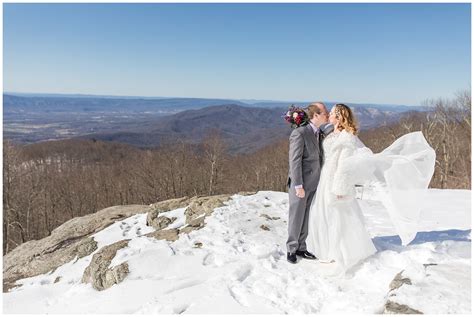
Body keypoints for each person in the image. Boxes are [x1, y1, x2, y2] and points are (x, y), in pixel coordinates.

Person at [306, 103, 436, 272]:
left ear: (339, 117)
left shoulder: (347, 137)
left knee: (339, 216)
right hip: (326, 178)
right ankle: (330, 250)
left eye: (331, 113)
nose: (329, 115)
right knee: (325, 214)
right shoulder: (332, 132)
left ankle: (343, 253)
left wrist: (340, 188)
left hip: (336, 180)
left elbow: (344, 166)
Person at [286, 102, 334, 264]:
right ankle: (291, 249)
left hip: (314, 182)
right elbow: (295, 161)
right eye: (325, 112)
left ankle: (301, 246)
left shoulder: (319, 131)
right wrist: (298, 185)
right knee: (296, 216)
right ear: (315, 115)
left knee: (306, 216)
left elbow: (332, 129)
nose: (327, 114)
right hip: (301, 184)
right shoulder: (300, 133)